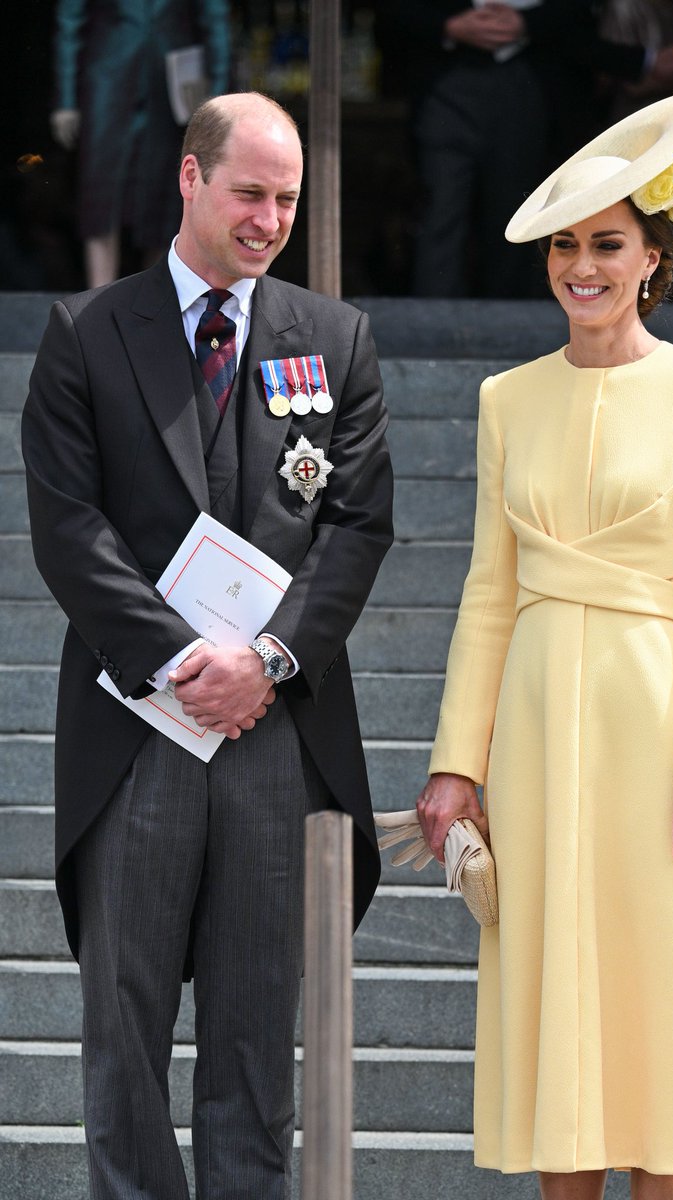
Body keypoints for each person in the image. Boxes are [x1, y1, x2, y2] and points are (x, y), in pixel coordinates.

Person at [22, 91, 393, 1199]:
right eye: (248, 193)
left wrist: (266, 662)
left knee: (251, 1036)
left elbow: (356, 525)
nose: (269, 218)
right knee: (122, 1035)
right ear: (187, 179)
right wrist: (185, 664)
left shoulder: (336, 340)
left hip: (277, 736)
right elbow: (68, 527)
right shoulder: (84, 334)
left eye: (285, 198)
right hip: (137, 726)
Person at [415, 91, 673, 1198]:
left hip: (649, 724)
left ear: (650, 258)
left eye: (605, 243)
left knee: (655, 991)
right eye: (565, 245)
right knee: (550, 997)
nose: (581, 265)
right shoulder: (504, 398)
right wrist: (451, 763)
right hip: (527, 726)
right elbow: (486, 591)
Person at [375, 0, 673, 298]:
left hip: (530, 82)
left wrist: (527, 23)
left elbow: (580, 14)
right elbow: (389, 14)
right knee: (439, 209)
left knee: (516, 210)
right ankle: (432, 324)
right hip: (446, 79)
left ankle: (511, 326)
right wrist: (449, 25)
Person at [50, 0, 231, 288]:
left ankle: (154, 302)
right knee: (100, 194)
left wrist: (218, 100)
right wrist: (66, 100)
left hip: (171, 84)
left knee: (165, 198)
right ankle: (96, 302)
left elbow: (216, 20)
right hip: (106, 79)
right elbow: (69, 22)